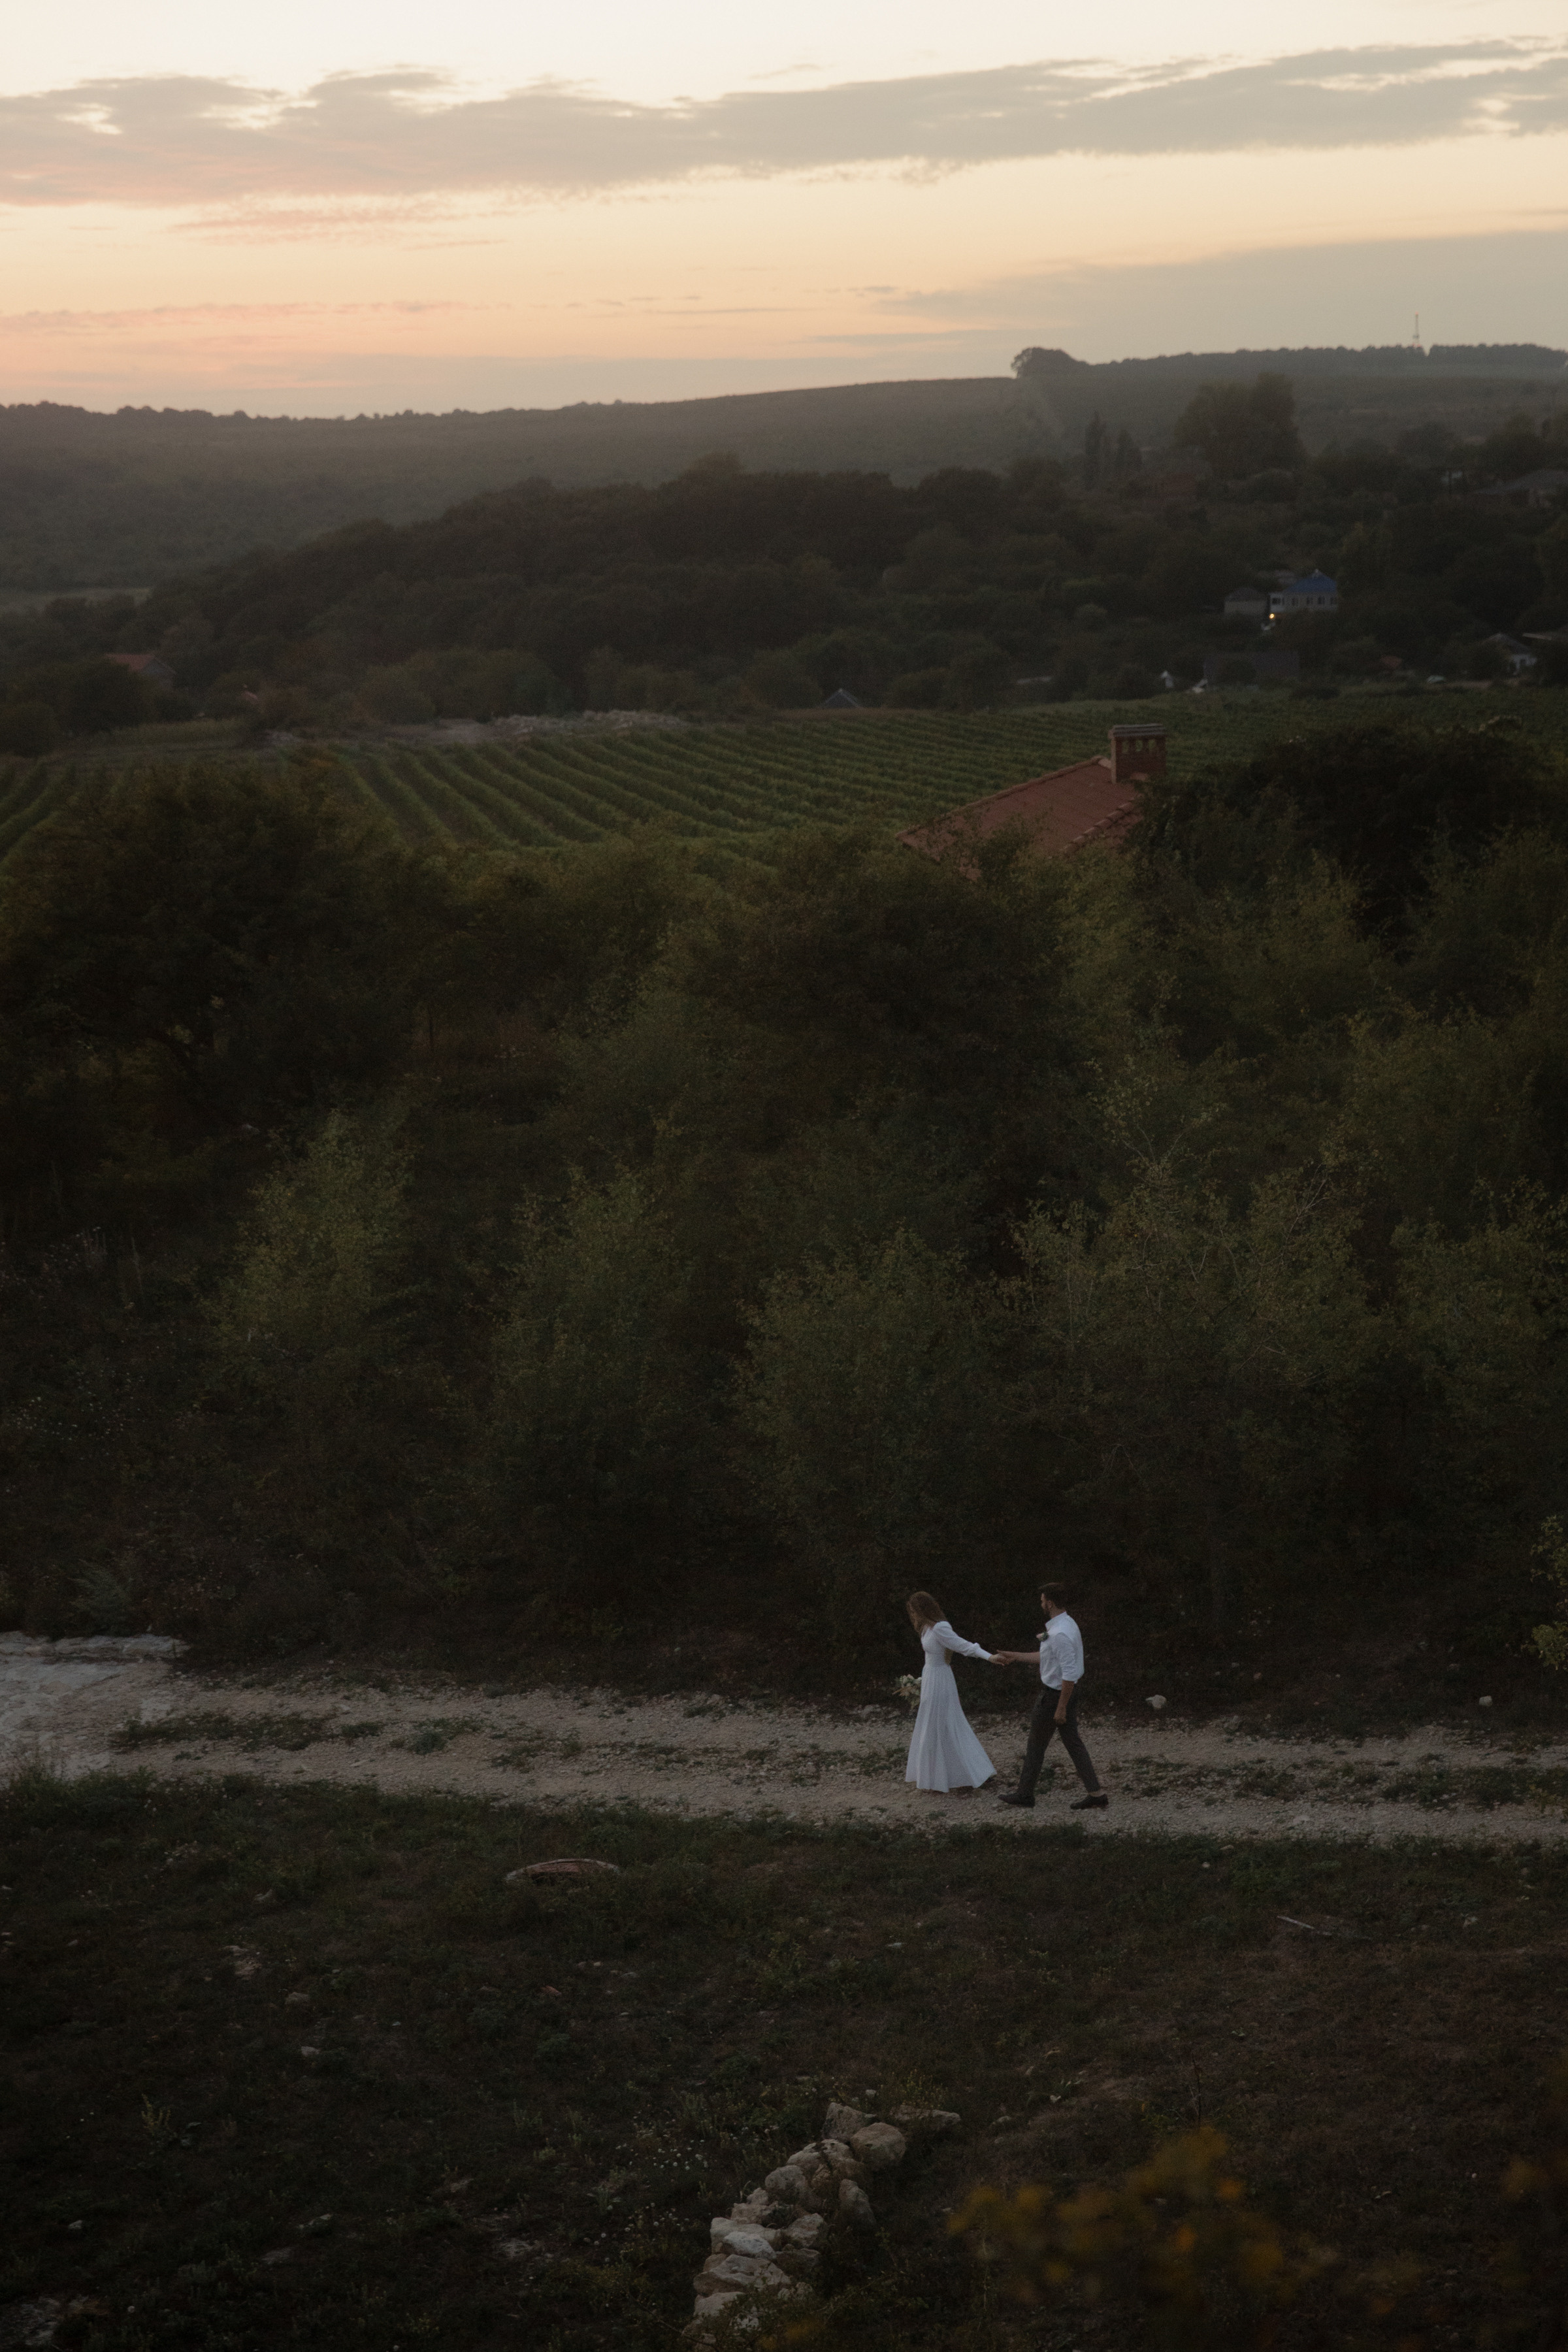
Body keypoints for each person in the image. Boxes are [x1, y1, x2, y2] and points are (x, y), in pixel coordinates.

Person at [992, 1584, 1107, 1810]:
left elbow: (1069, 1673)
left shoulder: (1059, 1634)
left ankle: (1025, 1794)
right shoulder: (1066, 1624)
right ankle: (1096, 1793)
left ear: (1050, 1603)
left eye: (1043, 1600)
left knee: (1036, 1745)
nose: (1041, 1603)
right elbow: (1048, 1658)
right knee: (1074, 1744)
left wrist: (1061, 1708)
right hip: (1064, 1693)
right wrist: (1014, 1656)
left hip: (1055, 1696)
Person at [903, 1592, 998, 1795]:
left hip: (940, 1680)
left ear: (923, 1610)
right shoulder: (926, 1629)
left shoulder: (940, 1627)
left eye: (914, 1610)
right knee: (933, 1725)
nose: (912, 1615)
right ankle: (939, 1776)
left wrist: (989, 1657)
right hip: (930, 1677)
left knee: (945, 1723)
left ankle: (967, 1773)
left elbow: (964, 1646)